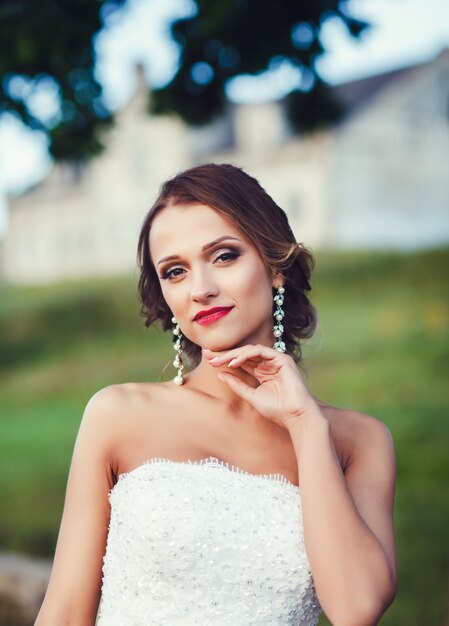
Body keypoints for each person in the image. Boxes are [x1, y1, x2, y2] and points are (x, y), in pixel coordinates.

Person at [35, 163, 397, 626]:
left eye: (224, 256)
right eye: (175, 271)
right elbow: (64, 614)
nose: (201, 290)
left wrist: (305, 426)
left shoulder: (358, 442)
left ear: (274, 266)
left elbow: (357, 608)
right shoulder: (118, 415)